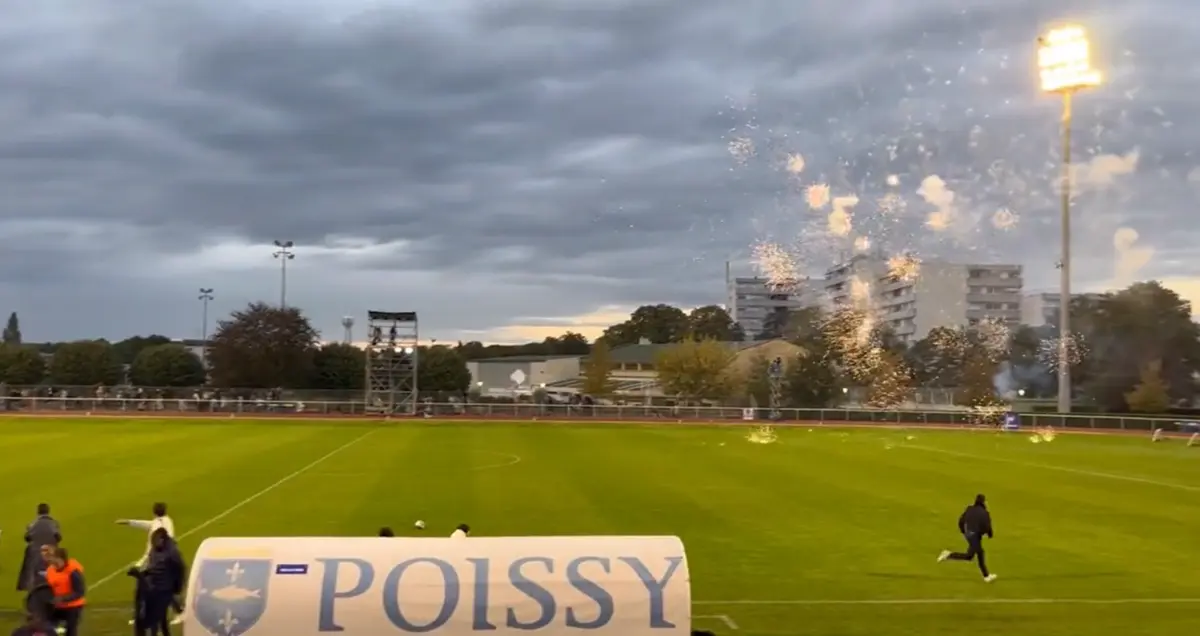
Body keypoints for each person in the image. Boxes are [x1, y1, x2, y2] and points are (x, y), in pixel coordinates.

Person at [118, 503, 183, 626]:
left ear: (154, 512)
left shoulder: (160, 525)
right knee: (150, 589)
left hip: (156, 562)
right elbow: (146, 524)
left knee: (156, 589)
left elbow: (156, 532)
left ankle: (177, 612)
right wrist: (128, 522)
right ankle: (141, 615)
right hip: (154, 561)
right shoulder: (165, 521)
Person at [130, 529, 186, 636]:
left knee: (155, 619)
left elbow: (179, 569)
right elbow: (153, 568)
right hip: (155, 589)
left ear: (162, 539)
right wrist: (143, 573)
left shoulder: (172, 553)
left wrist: (177, 587)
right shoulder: (155, 550)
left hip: (163, 590)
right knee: (160, 619)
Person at [938, 494, 997, 582]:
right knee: (976, 554)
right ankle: (948, 554)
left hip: (969, 534)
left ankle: (986, 576)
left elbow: (961, 520)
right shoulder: (984, 513)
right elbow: (987, 526)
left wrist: (963, 531)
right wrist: (989, 534)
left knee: (974, 555)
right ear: (983, 502)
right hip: (975, 535)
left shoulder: (970, 509)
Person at [19, 505, 61, 592]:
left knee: (33, 572)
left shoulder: (33, 524)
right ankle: (53, 586)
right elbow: (58, 537)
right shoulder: (54, 523)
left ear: (38, 512)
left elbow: (27, 537)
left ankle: (32, 589)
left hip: (35, 552)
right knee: (52, 570)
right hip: (50, 552)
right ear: (48, 511)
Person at [44, 547, 85, 636]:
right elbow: (48, 587)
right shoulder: (50, 570)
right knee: (48, 628)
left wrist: (63, 598)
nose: (54, 564)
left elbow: (80, 592)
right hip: (56, 606)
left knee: (70, 630)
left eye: (56, 561)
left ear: (62, 559)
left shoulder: (73, 572)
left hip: (73, 607)